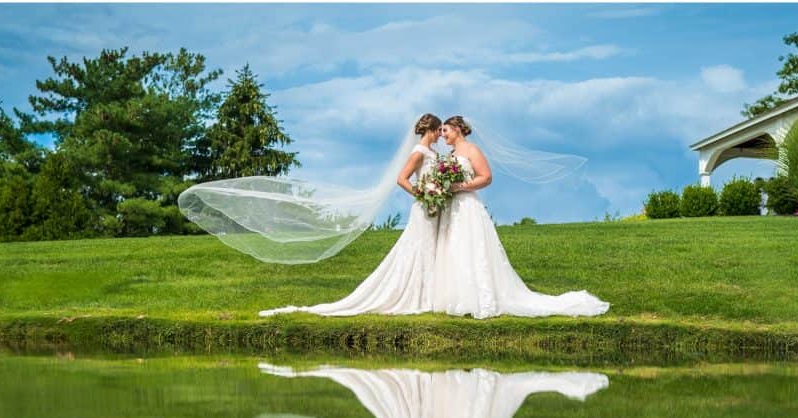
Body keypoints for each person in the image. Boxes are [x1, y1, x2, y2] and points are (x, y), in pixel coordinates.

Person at [257, 113, 443, 317]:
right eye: (438, 131)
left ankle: (432, 293)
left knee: (432, 246)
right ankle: (416, 295)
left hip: (435, 206)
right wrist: (422, 195)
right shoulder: (418, 152)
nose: (440, 136)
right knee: (420, 246)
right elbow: (402, 179)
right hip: (424, 206)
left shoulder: (433, 153)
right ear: (431, 130)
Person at [432, 116, 610, 319]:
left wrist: (461, 186)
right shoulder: (451, 154)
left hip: (468, 205)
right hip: (453, 207)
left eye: (445, 130)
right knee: (456, 247)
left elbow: (486, 177)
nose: (443, 135)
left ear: (456, 129)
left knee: (472, 247)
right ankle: (458, 297)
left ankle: (479, 297)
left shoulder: (472, 150)